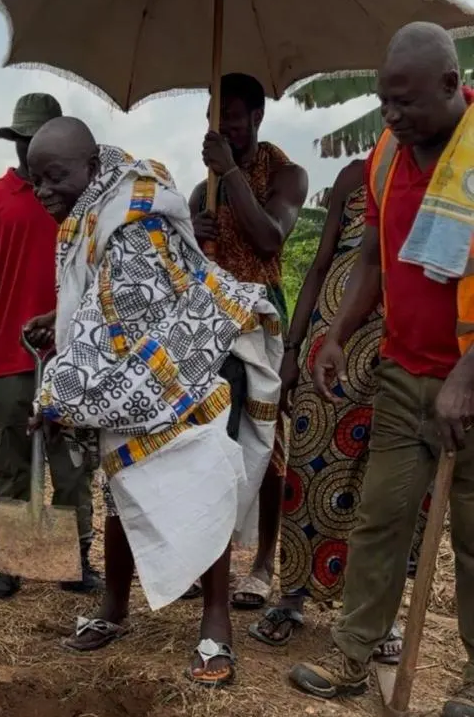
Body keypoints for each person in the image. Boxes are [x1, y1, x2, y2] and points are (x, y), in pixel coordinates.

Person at [25, 117, 283, 686]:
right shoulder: (98, 211)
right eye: (34, 179)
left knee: (201, 489)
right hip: (138, 370)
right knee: (122, 487)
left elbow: (121, 319)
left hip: (187, 368)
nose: (43, 190)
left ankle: (215, 627)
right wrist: (57, 321)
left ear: (92, 167)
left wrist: (56, 397)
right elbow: (103, 307)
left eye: (54, 176)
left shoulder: (131, 224)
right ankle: (115, 609)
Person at [289, 22, 474, 717]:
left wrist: (465, 377)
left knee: (473, 536)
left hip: (472, 380)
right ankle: (351, 655)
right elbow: (372, 254)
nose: (391, 116)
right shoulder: (388, 155)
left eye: (406, 102)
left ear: (452, 86)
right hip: (404, 372)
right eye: (383, 101)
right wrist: (336, 334)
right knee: (380, 517)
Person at [248, 160, 429, 655]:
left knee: (393, 481)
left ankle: (375, 612)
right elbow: (320, 265)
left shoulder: (456, 173)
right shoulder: (357, 175)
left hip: (408, 336)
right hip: (334, 335)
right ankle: (292, 597)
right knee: (310, 462)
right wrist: (292, 348)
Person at [0, 94, 99, 598]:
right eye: (23, 140)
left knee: (72, 463)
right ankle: (13, 564)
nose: (29, 149)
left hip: (76, 358)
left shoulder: (86, 201)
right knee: (12, 463)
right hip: (11, 359)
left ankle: (71, 561)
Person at [190, 72, 308, 609]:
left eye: (233, 118)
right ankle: (204, 557)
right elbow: (186, 263)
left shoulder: (287, 174)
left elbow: (269, 239)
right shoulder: (205, 188)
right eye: (216, 120)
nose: (223, 129)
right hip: (212, 319)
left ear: (257, 116)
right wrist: (194, 234)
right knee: (208, 438)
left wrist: (231, 173)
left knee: (266, 437)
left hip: (261, 321)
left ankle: (261, 564)